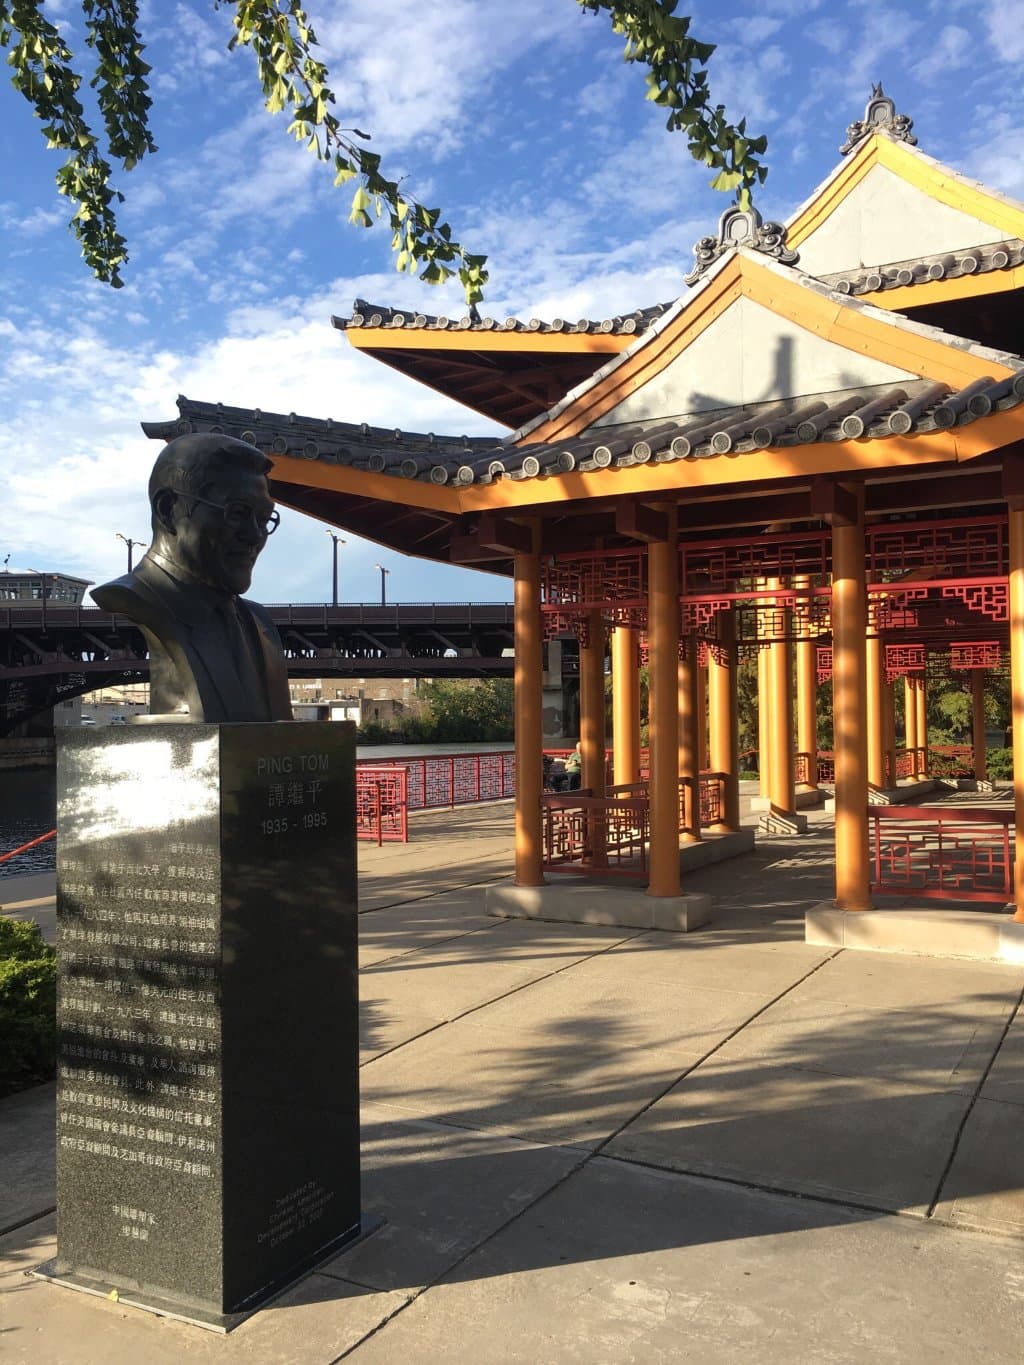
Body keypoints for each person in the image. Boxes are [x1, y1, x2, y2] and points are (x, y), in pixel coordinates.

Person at [91, 433, 293, 723]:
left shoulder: (260, 625)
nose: (255, 536)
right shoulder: (135, 598)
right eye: (237, 513)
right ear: (168, 511)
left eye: (263, 519)